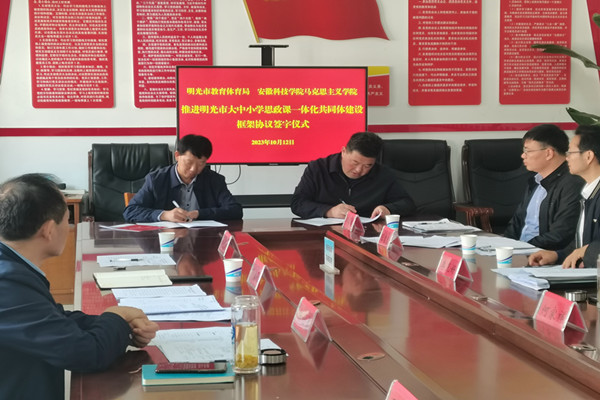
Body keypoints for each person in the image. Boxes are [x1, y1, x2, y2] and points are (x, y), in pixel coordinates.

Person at [0, 174, 159, 400]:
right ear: (48, 230)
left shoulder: (11, 268)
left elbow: (52, 318)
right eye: (67, 220)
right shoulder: (8, 285)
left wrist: (123, 327)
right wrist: (116, 316)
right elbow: (87, 354)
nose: (69, 228)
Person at [291, 131, 416, 219]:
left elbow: (407, 204)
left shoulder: (383, 174)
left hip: (367, 236)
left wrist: (388, 209)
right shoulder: (318, 169)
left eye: (367, 166)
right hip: (324, 235)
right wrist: (329, 211)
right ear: (344, 151)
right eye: (355, 162)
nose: (359, 170)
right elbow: (298, 203)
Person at [123, 134, 243, 222]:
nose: (193, 169)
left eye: (201, 164)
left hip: (204, 239)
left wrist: (199, 213)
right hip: (166, 241)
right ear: (177, 156)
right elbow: (130, 211)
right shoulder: (156, 180)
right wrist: (164, 215)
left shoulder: (214, 180)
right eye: (188, 162)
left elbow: (235, 210)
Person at [529, 125, 600, 268]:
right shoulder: (589, 193)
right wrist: (557, 255)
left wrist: (587, 252)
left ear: (588, 156)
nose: (566, 158)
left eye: (571, 152)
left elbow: (586, 248)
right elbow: (581, 243)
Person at [504, 124, 584, 250]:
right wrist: (504, 246)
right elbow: (516, 222)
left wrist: (523, 248)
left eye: (528, 151)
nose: (523, 155)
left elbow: (560, 234)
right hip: (519, 251)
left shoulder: (572, 184)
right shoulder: (535, 181)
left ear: (548, 153)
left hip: (542, 254)